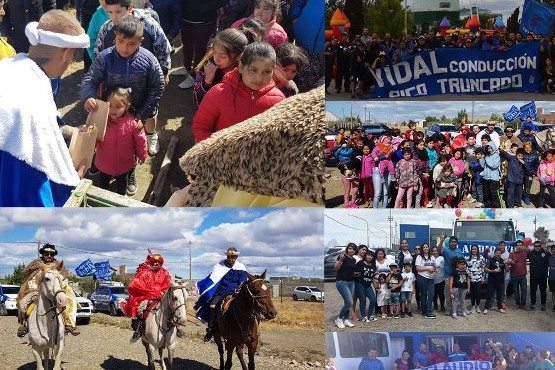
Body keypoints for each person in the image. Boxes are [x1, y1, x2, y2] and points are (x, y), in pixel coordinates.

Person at [0, 10, 89, 207]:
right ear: (66, 53)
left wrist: (64, 131)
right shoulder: (28, 113)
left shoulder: (9, 66)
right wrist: (71, 183)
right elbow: (34, 193)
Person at [81, 15, 164, 196]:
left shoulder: (148, 59)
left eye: (132, 44)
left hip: (136, 112)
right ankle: (102, 164)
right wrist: (88, 96)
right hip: (109, 111)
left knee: (130, 143)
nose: (125, 48)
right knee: (106, 139)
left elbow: (158, 85)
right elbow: (90, 78)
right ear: (115, 38)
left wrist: (142, 113)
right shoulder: (105, 57)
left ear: (141, 41)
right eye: (120, 41)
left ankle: (130, 172)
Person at [94, 0, 171, 156]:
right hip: (116, 81)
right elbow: (98, 51)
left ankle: (150, 134)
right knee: (120, 112)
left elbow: (163, 47)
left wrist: (164, 70)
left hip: (144, 77)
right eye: (109, 12)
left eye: (118, 12)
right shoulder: (107, 28)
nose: (114, 18)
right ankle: (122, 139)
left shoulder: (148, 24)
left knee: (148, 109)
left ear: (129, 8)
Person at [191, 41, 285, 143]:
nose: (259, 79)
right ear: (241, 66)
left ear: (273, 70)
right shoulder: (219, 93)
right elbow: (201, 127)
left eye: (267, 72)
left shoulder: (279, 100)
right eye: (253, 70)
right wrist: (217, 154)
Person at [16, 243, 80, 337]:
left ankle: (68, 324)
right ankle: (23, 325)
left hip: (55, 290)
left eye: (51, 254)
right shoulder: (36, 263)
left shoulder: (58, 264)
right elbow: (26, 272)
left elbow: (64, 276)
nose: (49, 256)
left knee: (68, 303)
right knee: (22, 305)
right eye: (46, 254)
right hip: (35, 290)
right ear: (43, 254)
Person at [94, 86, 148, 194]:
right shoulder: (101, 120)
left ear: (127, 106)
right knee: (104, 180)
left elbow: (140, 140)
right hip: (104, 161)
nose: (113, 110)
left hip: (124, 163)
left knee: (122, 182)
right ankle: (104, 193)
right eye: (110, 106)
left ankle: (121, 195)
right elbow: (94, 135)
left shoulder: (132, 122)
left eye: (118, 106)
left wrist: (142, 154)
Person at [194, 247, 248, 342]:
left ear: (236, 257)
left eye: (233, 257)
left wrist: (238, 289)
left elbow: (243, 281)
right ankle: (211, 328)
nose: (230, 259)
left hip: (235, 292)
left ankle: (247, 329)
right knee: (212, 306)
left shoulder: (241, 268)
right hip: (221, 291)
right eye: (229, 257)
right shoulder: (220, 266)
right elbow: (213, 279)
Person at [121, 251, 173, 342]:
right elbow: (137, 285)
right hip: (148, 296)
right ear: (151, 263)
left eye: (158, 262)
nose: (156, 263)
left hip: (162, 296)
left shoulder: (165, 273)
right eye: (154, 262)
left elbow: (167, 284)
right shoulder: (146, 273)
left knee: (174, 308)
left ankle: (176, 327)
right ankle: (138, 330)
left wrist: (163, 292)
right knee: (141, 308)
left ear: (161, 263)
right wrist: (151, 293)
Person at [193, 28, 248, 106]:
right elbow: (198, 101)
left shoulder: (246, 75)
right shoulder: (208, 64)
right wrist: (206, 82)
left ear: (238, 56)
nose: (216, 59)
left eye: (223, 56)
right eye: (214, 52)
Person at [334, 243, 357, 328]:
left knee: (347, 302)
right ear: (347, 249)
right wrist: (340, 260)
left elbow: (350, 270)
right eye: (350, 248)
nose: (352, 250)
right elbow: (336, 268)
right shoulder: (342, 256)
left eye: (354, 249)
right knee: (349, 302)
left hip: (351, 282)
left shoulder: (353, 260)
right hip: (342, 282)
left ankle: (346, 320)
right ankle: (339, 319)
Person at [507, 239, 530, 309]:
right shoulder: (512, 253)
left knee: (524, 290)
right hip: (514, 275)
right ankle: (517, 304)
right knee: (516, 291)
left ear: (522, 246)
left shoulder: (525, 252)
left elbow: (531, 248)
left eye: (520, 245)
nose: (519, 246)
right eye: (518, 245)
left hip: (523, 275)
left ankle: (523, 305)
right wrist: (510, 261)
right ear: (516, 246)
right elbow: (508, 262)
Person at [483, 247, 507, 314]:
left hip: (500, 281)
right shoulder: (490, 260)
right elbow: (485, 269)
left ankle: (500, 308)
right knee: (489, 294)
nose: (498, 254)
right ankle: (486, 308)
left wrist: (506, 264)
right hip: (492, 281)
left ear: (501, 254)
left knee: (500, 295)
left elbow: (507, 270)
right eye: (497, 253)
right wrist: (493, 271)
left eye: (499, 253)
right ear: (494, 253)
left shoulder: (502, 260)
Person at [355, 251, 377, 322]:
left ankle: (370, 315)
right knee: (363, 300)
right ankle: (363, 316)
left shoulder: (373, 265)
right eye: (368, 255)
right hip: (360, 284)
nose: (369, 257)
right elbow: (354, 273)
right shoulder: (360, 263)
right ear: (365, 256)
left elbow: (372, 275)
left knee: (373, 299)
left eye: (371, 256)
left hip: (368, 285)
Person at [415, 243, 436, 319]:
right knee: (423, 294)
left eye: (426, 247)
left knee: (431, 294)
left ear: (428, 248)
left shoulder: (432, 257)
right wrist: (428, 269)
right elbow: (418, 268)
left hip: (431, 278)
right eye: (424, 247)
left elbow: (434, 266)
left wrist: (434, 270)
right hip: (422, 277)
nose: (425, 248)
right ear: (422, 249)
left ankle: (428, 311)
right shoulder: (419, 257)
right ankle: (426, 312)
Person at [528, 241, 550, 311]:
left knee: (543, 291)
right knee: (533, 291)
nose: (537, 247)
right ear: (534, 246)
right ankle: (533, 303)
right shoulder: (531, 253)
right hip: (533, 277)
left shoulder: (546, 253)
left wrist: (546, 249)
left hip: (543, 277)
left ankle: (543, 304)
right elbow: (523, 254)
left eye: (539, 246)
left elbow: (552, 255)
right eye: (536, 246)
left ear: (541, 246)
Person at [467, 244, 485, 313]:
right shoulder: (468, 258)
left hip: (478, 278)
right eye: (473, 249)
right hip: (471, 279)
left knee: (478, 293)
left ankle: (477, 306)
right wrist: (469, 275)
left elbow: (483, 268)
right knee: (472, 293)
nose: (474, 250)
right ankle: (473, 306)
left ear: (477, 250)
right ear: (471, 250)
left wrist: (483, 277)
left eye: (475, 249)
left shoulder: (481, 258)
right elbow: (466, 268)